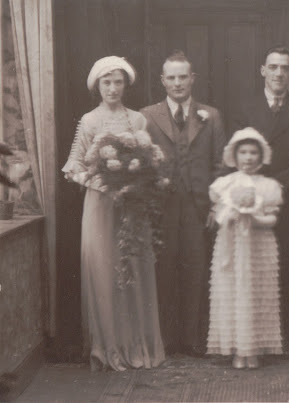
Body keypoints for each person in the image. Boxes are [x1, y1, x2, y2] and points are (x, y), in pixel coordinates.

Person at [62, 56, 165, 370]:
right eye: (106, 82)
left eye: (118, 82)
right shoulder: (89, 121)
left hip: (131, 207)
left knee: (134, 271)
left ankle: (138, 345)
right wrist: (104, 184)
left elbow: (150, 161)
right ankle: (107, 347)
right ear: (98, 86)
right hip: (101, 207)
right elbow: (72, 167)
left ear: (126, 85)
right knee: (105, 273)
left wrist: (137, 181)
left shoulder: (137, 120)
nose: (112, 88)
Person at [230, 45, 289, 346]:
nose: (279, 73)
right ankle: (252, 337)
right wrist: (256, 186)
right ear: (263, 71)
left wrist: (277, 184)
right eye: (273, 67)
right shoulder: (244, 108)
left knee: (283, 269)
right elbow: (233, 153)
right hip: (250, 202)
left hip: (288, 201)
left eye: (284, 68)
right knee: (253, 269)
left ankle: (280, 338)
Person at [141, 50, 227, 356]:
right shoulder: (147, 116)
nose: (178, 83)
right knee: (164, 270)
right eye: (172, 78)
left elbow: (220, 164)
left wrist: (215, 206)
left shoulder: (211, 115)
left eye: (183, 77)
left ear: (192, 79)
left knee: (195, 269)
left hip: (197, 206)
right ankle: (166, 339)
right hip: (162, 206)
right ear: (163, 81)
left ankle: (192, 338)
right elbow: (142, 164)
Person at [207, 128, 283, 369]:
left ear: (261, 157)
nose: (248, 158)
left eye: (253, 153)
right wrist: (232, 214)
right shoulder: (224, 184)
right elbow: (219, 217)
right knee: (233, 293)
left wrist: (254, 218)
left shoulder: (269, 186)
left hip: (259, 246)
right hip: (233, 246)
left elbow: (273, 220)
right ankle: (238, 349)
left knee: (258, 293)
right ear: (234, 156)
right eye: (243, 152)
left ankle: (254, 349)